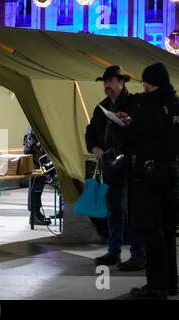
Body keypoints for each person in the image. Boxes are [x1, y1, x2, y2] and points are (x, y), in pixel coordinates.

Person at [116, 63, 179, 299]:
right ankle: (171, 284)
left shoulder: (148, 105)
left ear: (152, 83)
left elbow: (132, 137)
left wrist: (124, 123)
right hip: (171, 171)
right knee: (168, 231)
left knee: (152, 232)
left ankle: (156, 287)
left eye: (144, 82)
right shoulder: (174, 104)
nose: (142, 86)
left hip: (150, 174)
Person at [85, 65, 146, 271]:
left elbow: (142, 131)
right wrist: (94, 148)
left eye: (110, 81)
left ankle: (138, 254)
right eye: (105, 81)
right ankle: (113, 252)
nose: (107, 85)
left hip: (131, 165)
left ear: (121, 82)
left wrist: (129, 123)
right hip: (111, 166)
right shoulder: (101, 107)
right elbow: (91, 131)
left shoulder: (135, 103)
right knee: (114, 211)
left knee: (134, 211)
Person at [23, 126, 52, 225]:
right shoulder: (35, 125)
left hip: (36, 158)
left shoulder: (33, 124)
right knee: (36, 188)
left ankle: (36, 213)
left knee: (37, 188)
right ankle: (34, 215)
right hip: (37, 159)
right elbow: (32, 144)